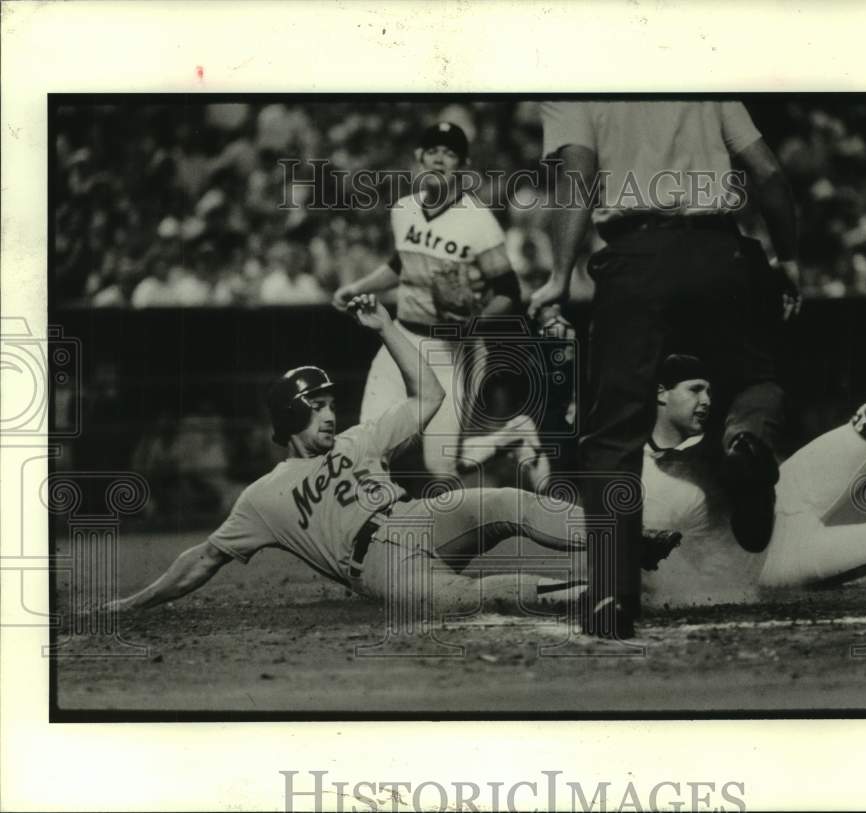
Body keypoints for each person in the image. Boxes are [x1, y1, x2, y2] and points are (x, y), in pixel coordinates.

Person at [106, 296, 591, 618]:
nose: (330, 414)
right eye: (317, 407)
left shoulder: (358, 440)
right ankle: (581, 595)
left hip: (418, 516)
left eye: (330, 404)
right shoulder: (262, 498)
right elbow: (205, 558)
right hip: (378, 566)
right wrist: (134, 603)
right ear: (291, 415)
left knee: (504, 500)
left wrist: (386, 327)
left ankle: (618, 540)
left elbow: (428, 397)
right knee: (469, 598)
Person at [531, 100, 801, 637]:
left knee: (614, 434)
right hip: (719, 250)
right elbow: (766, 168)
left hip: (636, 259)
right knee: (752, 380)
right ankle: (746, 442)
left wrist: (559, 274)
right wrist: (788, 256)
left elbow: (579, 173)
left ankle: (611, 593)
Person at [639, 354, 866, 608]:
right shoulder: (640, 473)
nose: (706, 400)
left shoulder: (714, 432)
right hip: (768, 560)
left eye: (708, 390)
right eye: (694, 390)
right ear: (661, 393)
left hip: (784, 494)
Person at [332, 122, 521, 481]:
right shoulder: (404, 208)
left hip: (451, 349)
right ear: (419, 158)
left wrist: (474, 322)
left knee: (440, 466)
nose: (439, 159)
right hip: (400, 336)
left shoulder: (480, 222)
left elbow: (510, 293)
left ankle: (508, 440)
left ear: (462, 167)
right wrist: (356, 287)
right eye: (433, 150)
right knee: (368, 448)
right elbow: (400, 264)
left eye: (449, 153)